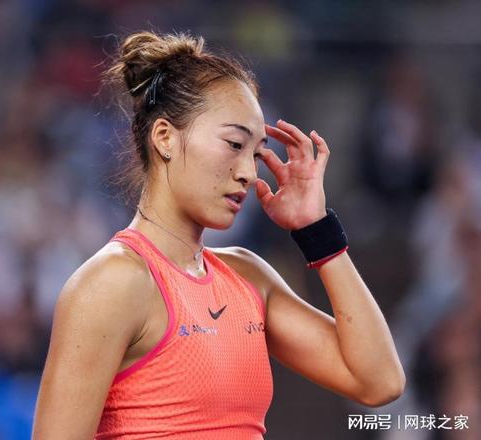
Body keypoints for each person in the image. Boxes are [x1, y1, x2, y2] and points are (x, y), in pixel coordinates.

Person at [32, 30, 405, 439]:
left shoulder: (248, 277)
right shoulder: (111, 283)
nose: (249, 172)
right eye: (234, 144)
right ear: (165, 137)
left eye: (257, 153)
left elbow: (379, 381)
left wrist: (317, 230)